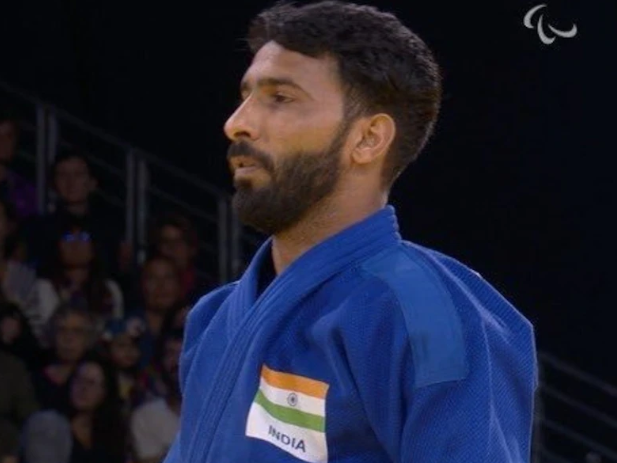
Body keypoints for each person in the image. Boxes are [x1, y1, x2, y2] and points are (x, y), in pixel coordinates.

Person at [164, 2, 538, 463]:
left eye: (279, 98)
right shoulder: (214, 317)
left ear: (367, 139)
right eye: (245, 95)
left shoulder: (431, 319)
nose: (237, 122)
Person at [130, 328, 183, 463]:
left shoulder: (219, 414)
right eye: (171, 353)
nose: (177, 361)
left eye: (183, 353)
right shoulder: (146, 416)